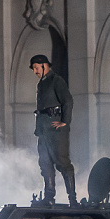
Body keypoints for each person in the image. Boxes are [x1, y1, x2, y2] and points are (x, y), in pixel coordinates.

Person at [30, 54, 77, 207]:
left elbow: (67, 101)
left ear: (44, 65)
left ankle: (72, 199)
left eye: (37, 67)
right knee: (45, 162)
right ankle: (49, 196)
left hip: (55, 128)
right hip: (43, 129)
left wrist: (65, 122)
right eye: (34, 68)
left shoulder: (56, 81)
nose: (35, 71)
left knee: (62, 162)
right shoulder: (41, 84)